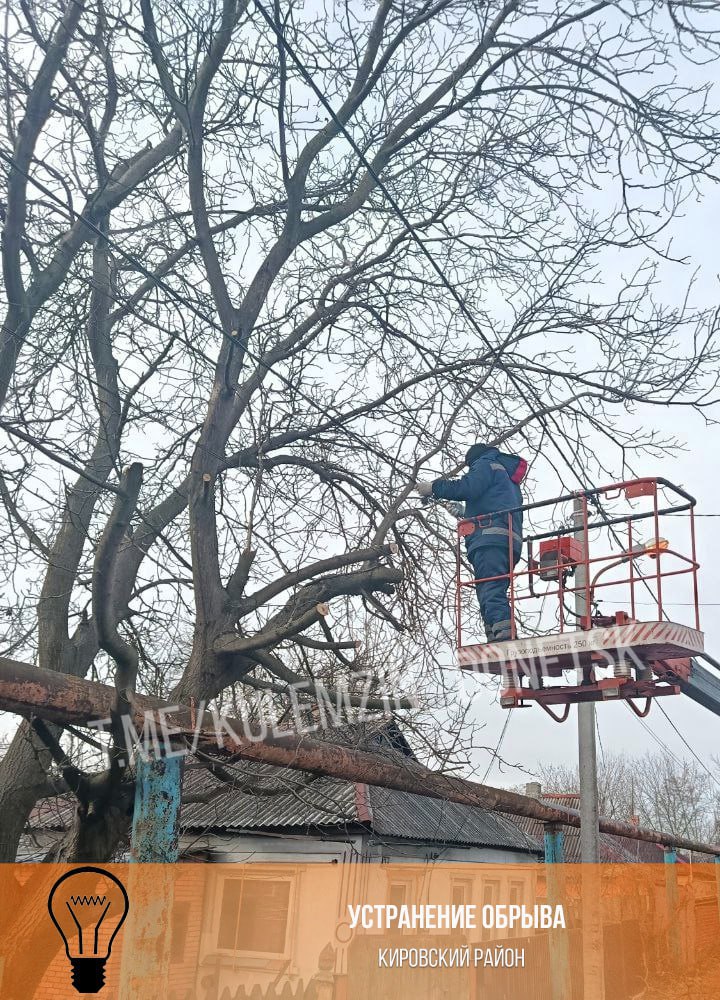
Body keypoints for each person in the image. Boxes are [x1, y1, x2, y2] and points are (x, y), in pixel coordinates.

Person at [417, 443, 527, 641]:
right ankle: (495, 633)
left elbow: (467, 487)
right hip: (507, 539)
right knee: (489, 588)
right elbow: (494, 503)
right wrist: (466, 514)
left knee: (490, 588)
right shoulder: (507, 477)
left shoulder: (485, 463)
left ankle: (503, 635)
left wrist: (434, 487)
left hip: (489, 538)